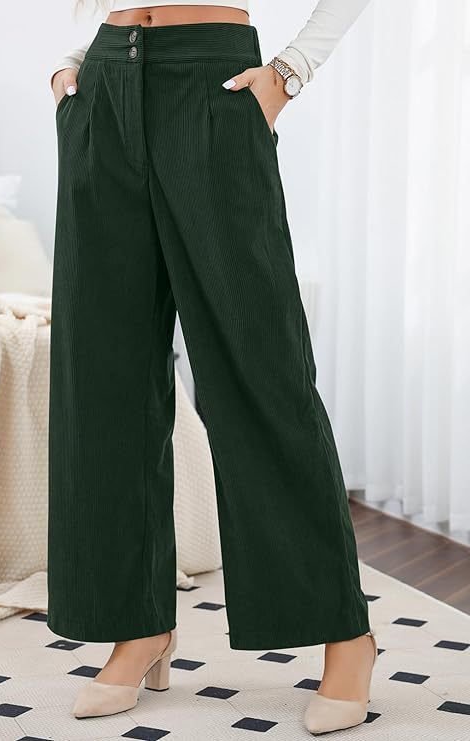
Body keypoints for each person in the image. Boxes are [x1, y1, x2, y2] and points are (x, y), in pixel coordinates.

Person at [48, 0, 376, 735]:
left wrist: (291, 70)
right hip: (105, 86)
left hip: (213, 88)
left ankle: (345, 633)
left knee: (260, 373)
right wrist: (76, 66)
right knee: (102, 382)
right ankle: (137, 627)